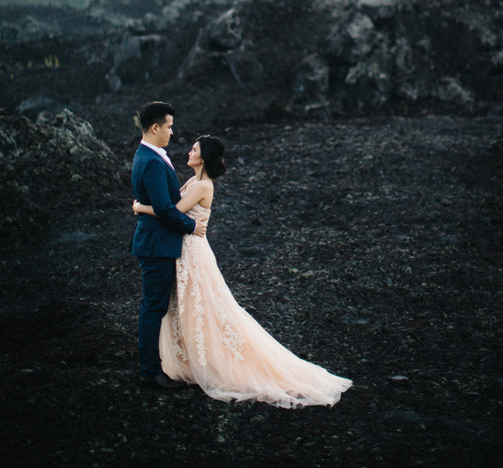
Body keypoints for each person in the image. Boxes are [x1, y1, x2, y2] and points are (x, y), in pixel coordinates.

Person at [133, 133, 352, 408]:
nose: (188, 152)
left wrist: (140, 206)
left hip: (193, 253)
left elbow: (171, 212)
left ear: (204, 156)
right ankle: (191, 360)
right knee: (188, 306)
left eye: (194, 149)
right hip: (184, 252)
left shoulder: (203, 186)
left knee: (207, 306)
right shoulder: (193, 181)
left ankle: (214, 363)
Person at [130, 100, 207, 389]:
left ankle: (153, 366)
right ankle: (149, 371)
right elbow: (163, 207)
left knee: (155, 306)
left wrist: (140, 206)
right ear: (155, 127)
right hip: (156, 245)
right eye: (169, 127)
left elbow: (156, 204)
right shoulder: (149, 160)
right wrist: (191, 225)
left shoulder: (148, 155)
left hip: (155, 242)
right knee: (153, 308)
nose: (172, 132)